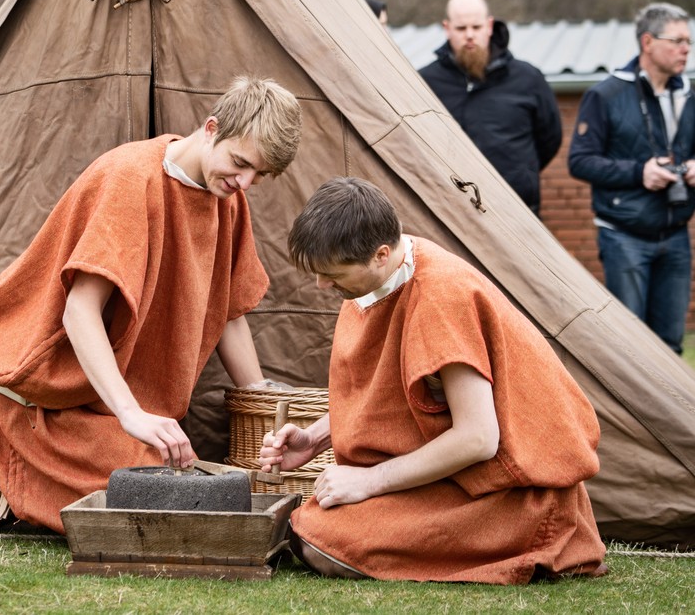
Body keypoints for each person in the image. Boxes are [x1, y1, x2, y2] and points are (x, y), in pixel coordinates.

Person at [0, 76, 303, 535]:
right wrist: (131, 414)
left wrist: (260, 405)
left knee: (179, 485)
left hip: (113, 404)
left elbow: (229, 312)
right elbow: (79, 312)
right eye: (241, 164)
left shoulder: (228, 200)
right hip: (51, 393)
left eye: (260, 176)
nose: (245, 182)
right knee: (158, 495)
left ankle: (20, 474)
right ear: (212, 128)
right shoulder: (131, 179)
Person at [259, 177, 607, 584]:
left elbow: (478, 438)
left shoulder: (440, 296)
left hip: (518, 496)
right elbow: (404, 399)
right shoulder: (386, 275)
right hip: (466, 483)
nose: (322, 284)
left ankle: (536, 543)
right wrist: (316, 438)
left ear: (380, 254)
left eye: (332, 274)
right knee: (316, 523)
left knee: (321, 536)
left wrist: (370, 481)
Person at [568, 2, 695, 355]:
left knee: (670, 344)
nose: (687, 48)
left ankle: (670, 413)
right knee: (629, 349)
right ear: (648, 42)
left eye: (689, 41)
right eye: (679, 40)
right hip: (623, 237)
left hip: (676, 236)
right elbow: (579, 162)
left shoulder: (688, 95)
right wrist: (641, 173)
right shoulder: (605, 95)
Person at [418, 0, 562, 215]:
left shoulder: (528, 78)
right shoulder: (425, 81)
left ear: (490, 26)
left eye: (476, 27)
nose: (469, 35)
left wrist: (522, 172)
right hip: (450, 211)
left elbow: (550, 138)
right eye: (461, 28)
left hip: (517, 210)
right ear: (446, 28)